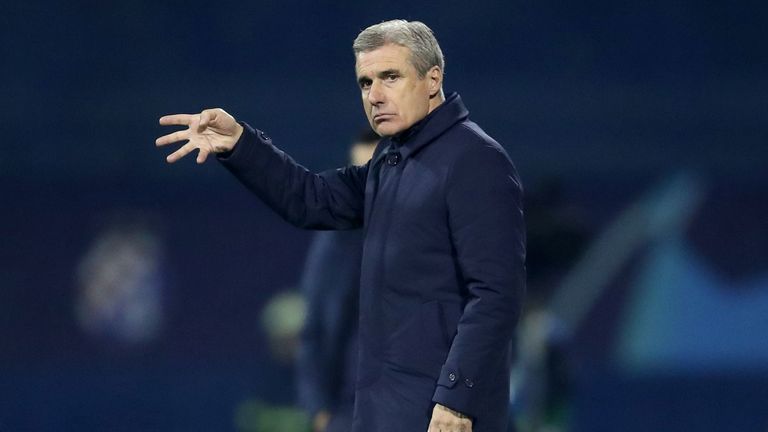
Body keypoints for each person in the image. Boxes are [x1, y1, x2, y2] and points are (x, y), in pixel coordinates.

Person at [156, 19, 526, 432]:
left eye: (390, 77)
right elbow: (310, 199)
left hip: (442, 415)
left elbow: (496, 294)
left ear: (432, 79)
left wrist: (457, 399)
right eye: (366, 83)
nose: (375, 95)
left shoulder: (474, 160)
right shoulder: (390, 162)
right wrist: (241, 144)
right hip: (385, 410)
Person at [297, 129, 378, 432]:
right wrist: (318, 408)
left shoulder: (436, 232)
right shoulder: (336, 240)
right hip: (348, 410)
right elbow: (314, 325)